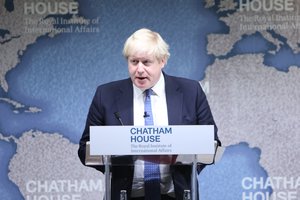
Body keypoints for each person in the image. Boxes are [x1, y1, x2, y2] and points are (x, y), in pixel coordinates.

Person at [78, 28, 220, 200]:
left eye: (146, 62)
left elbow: (211, 142)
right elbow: (85, 148)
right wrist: (118, 168)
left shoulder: (190, 91)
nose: (139, 69)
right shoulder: (106, 94)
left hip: (177, 195)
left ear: (162, 61)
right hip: (125, 195)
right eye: (134, 61)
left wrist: (186, 169)